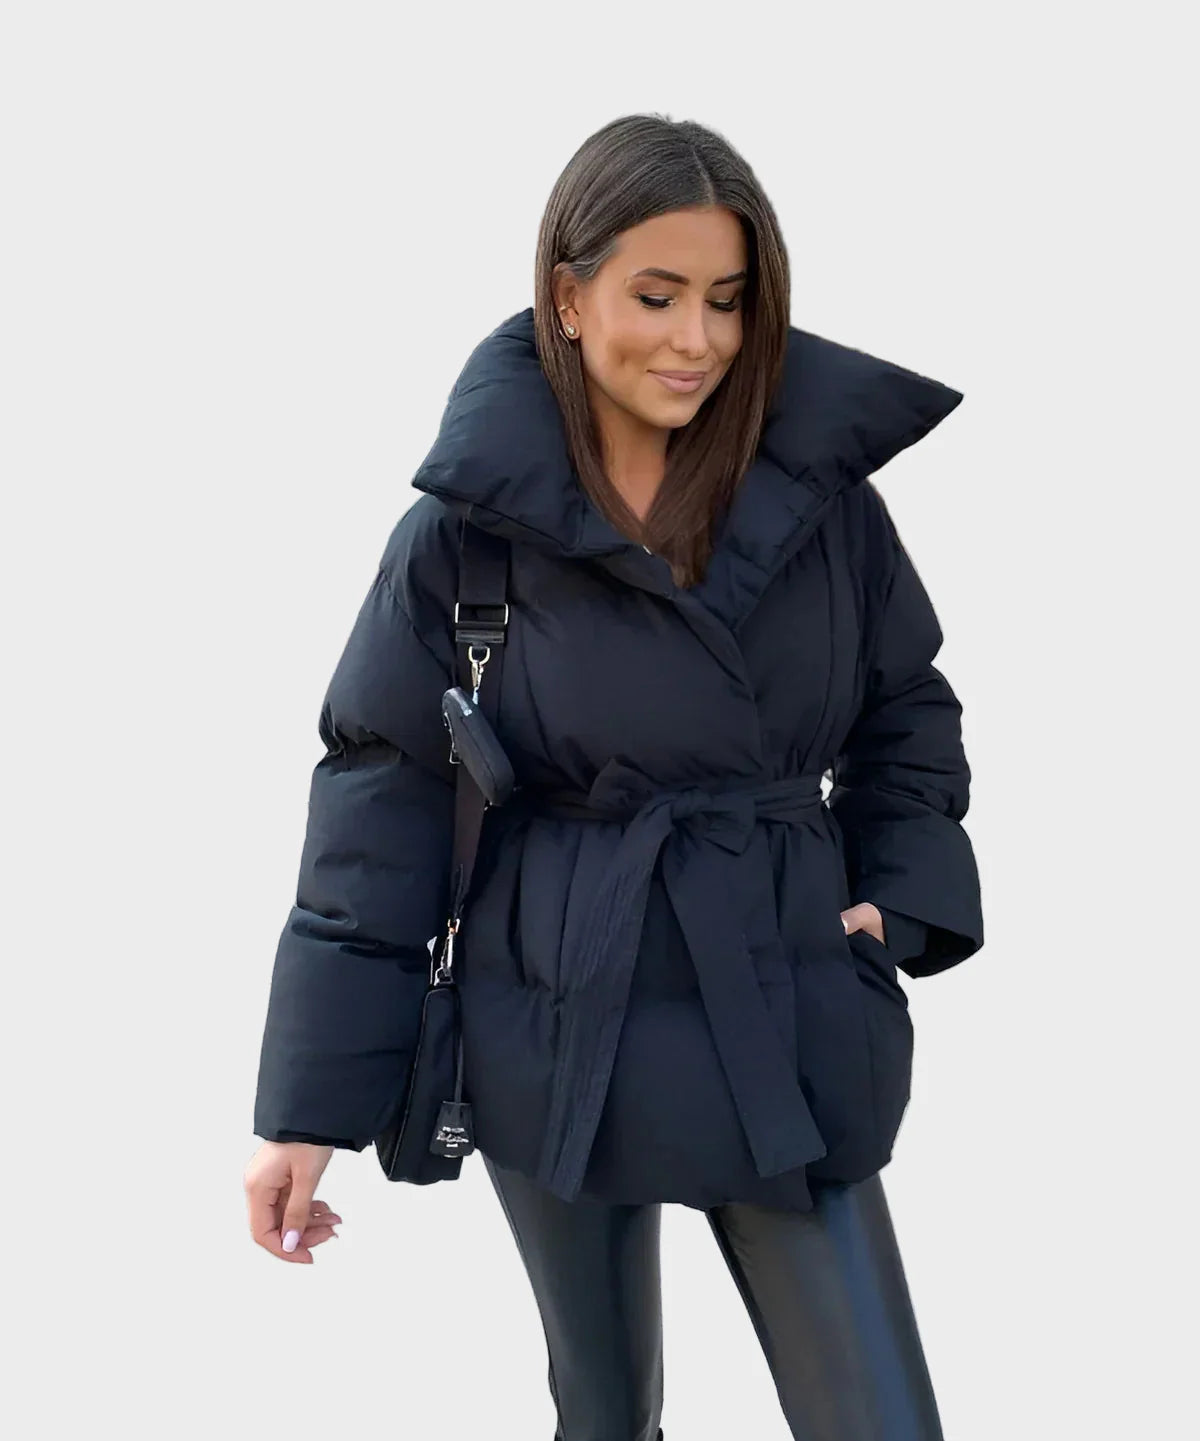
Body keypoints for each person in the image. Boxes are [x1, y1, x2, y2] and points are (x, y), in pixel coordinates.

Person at [243, 112, 984, 1441]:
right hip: (555, 1017)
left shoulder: (828, 512)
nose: (698, 339)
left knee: (878, 1418)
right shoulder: (464, 540)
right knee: (604, 1412)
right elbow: (379, 802)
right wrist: (309, 1111)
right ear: (569, 297)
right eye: (657, 295)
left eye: (729, 300)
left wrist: (899, 901)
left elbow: (907, 717)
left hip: (782, 1001)